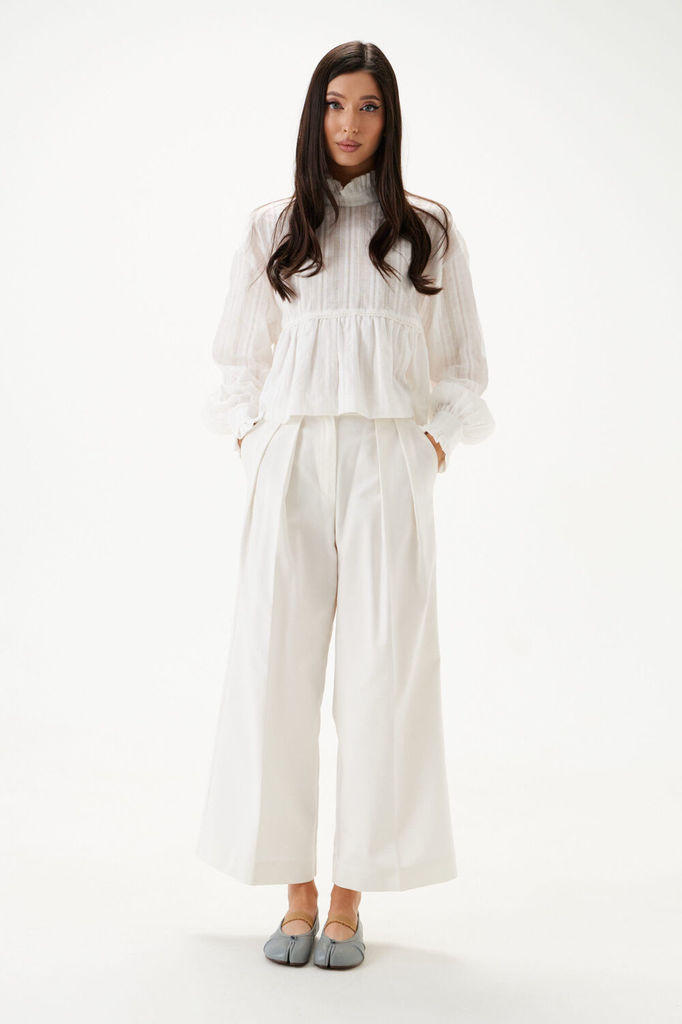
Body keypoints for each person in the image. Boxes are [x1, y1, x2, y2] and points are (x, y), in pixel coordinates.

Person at [196, 40, 495, 970]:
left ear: (389, 118)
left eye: (368, 106)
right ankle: (294, 893)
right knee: (275, 669)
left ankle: (350, 902)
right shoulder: (274, 228)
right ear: (313, 113)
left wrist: (427, 444)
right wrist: (258, 439)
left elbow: (463, 369)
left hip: (387, 464)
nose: (350, 123)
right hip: (291, 460)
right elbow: (237, 362)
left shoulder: (427, 232)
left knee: (382, 673)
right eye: (335, 104)